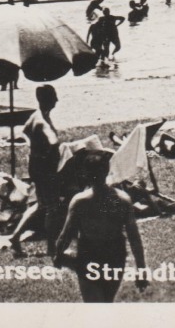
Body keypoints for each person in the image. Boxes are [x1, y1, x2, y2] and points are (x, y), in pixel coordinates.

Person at [54, 148, 148, 303]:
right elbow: (134, 238)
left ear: (86, 174)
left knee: (95, 305)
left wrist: (58, 254)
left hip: (89, 256)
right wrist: (141, 269)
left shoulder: (80, 201)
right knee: (106, 302)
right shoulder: (122, 200)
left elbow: (66, 234)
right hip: (115, 256)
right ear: (107, 171)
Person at [9, 85, 64, 254]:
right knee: (53, 207)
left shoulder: (35, 116)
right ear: (48, 99)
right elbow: (53, 140)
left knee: (41, 205)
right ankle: (51, 247)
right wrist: (52, 149)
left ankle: (16, 236)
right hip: (45, 169)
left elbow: (25, 131)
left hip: (35, 165)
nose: (57, 100)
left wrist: (36, 148)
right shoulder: (41, 121)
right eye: (54, 96)